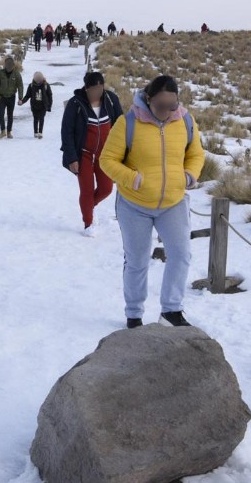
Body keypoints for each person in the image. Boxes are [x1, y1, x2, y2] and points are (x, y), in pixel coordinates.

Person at [100, 76, 204, 329]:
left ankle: (171, 311)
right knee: (137, 260)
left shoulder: (186, 121)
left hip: (173, 202)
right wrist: (132, 178)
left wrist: (190, 174)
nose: (167, 111)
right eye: (160, 105)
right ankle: (134, 314)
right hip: (134, 205)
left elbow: (195, 153)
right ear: (148, 99)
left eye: (172, 104)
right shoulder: (128, 123)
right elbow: (107, 160)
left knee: (180, 255)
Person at [60, 71, 123, 236]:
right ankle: (88, 223)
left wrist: (121, 151)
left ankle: (89, 205)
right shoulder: (75, 104)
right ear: (86, 89)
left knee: (106, 188)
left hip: (105, 154)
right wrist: (72, 158)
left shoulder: (111, 100)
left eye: (100, 88)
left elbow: (121, 125)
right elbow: (67, 132)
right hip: (84, 155)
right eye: (93, 89)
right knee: (87, 190)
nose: (97, 92)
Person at [0, 56, 24, 139]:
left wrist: (20, 98)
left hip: (11, 97)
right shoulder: (0, 73)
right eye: (7, 65)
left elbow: (20, 86)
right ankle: (3, 131)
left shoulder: (16, 74)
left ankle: (9, 132)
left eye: (10, 65)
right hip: (2, 97)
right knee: (1, 115)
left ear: (13, 65)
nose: (8, 67)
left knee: (10, 115)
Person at [19, 71, 53, 138]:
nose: (38, 81)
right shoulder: (31, 86)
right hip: (34, 105)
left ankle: (40, 132)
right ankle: (35, 132)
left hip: (43, 105)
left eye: (39, 79)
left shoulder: (46, 85)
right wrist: (22, 102)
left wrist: (49, 106)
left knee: (41, 118)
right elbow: (27, 96)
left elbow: (50, 96)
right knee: (35, 119)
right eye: (36, 79)